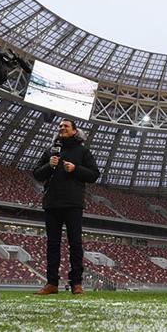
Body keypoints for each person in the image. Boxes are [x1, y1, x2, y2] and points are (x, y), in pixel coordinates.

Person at [33, 119, 100, 295]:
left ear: (74, 131)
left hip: (73, 204)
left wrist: (75, 169)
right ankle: (52, 283)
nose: (62, 128)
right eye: (60, 126)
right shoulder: (50, 151)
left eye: (66, 126)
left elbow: (94, 175)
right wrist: (50, 165)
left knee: (75, 244)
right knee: (52, 245)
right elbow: (37, 174)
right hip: (52, 203)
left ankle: (76, 283)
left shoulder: (83, 151)